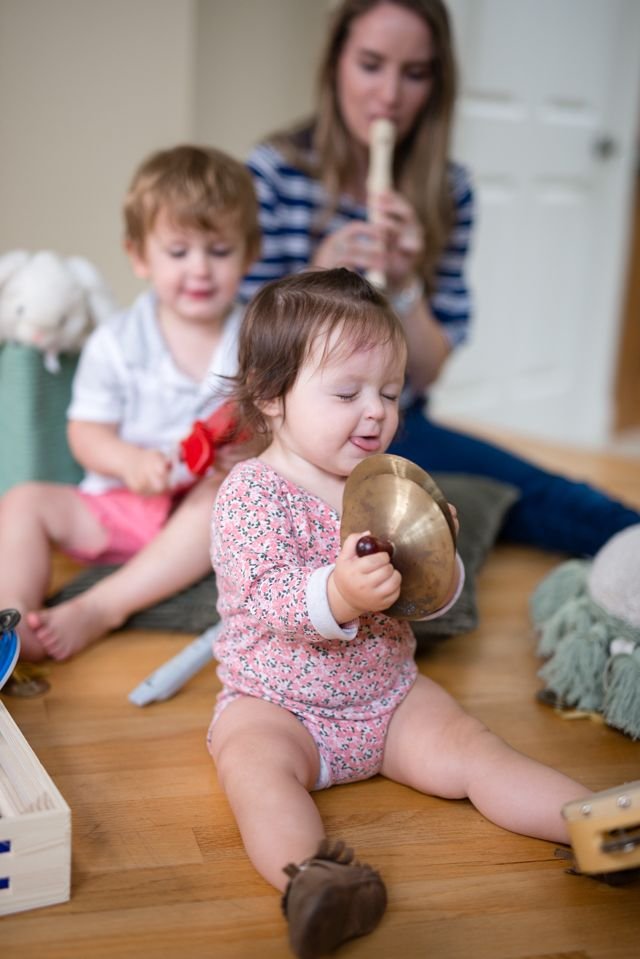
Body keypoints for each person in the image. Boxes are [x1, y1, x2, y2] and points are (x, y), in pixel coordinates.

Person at [208, 268, 592, 959]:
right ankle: (317, 881)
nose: (377, 412)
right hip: (277, 701)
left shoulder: (389, 484)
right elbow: (267, 598)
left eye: (389, 393)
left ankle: (592, 823)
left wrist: (436, 554)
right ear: (271, 395)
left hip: (387, 697)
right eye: (348, 392)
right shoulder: (251, 494)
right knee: (251, 766)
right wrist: (343, 593)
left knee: (477, 749)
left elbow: (431, 603)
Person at [240, 0, 640, 558]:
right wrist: (316, 278)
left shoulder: (448, 191)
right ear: (335, 65)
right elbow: (245, 347)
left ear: (437, 84)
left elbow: (426, 372)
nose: (389, 96)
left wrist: (404, 287)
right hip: (281, 420)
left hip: (392, 419)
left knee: (539, 492)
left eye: (415, 73)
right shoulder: (277, 171)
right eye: (371, 64)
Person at [0, 144, 261, 662]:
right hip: (119, 505)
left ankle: (103, 606)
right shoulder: (117, 341)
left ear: (250, 253)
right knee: (24, 500)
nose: (201, 270)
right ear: (140, 256)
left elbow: (280, 425)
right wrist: (130, 461)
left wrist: (248, 454)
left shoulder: (259, 339)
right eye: (179, 251)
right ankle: (11, 617)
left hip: (203, 519)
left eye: (219, 251)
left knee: (224, 494)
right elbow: (86, 434)